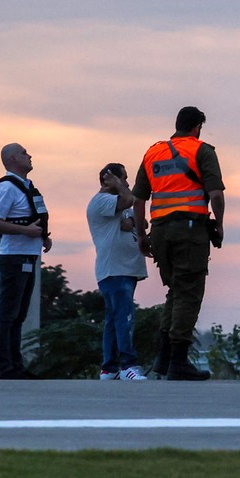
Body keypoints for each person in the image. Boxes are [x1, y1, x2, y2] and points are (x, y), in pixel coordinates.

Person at [133, 106, 225, 381]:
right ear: (197, 127)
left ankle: (163, 359)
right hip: (189, 231)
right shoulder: (202, 150)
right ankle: (178, 361)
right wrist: (219, 224)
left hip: (160, 231)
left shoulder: (153, 152)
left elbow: (139, 200)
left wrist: (141, 235)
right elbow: (216, 195)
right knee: (189, 293)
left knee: (175, 290)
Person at [0, 142, 51, 380]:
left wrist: (43, 237)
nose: (29, 155)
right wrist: (26, 232)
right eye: (24, 152)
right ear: (12, 159)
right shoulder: (7, 188)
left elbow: (29, 217)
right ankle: (5, 368)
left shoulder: (27, 187)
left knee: (18, 315)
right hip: (13, 259)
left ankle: (16, 366)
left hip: (28, 258)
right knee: (8, 315)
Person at [87, 162, 149, 381]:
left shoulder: (119, 205)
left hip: (125, 270)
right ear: (110, 178)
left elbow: (142, 221)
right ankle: (128, 365)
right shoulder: (101, 201)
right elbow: (130, 200)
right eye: (124, 178)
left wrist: (132, 220)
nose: (127, 183)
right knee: (124, 317)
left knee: (115, 319)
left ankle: (109, 367)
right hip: (114, 270)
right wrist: (119, 189)